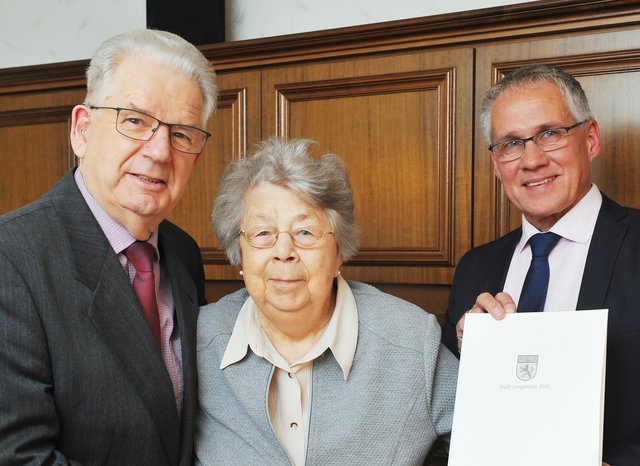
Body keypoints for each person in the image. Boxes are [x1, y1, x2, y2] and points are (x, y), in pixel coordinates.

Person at [0, 29, 217, 464]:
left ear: (196, 156)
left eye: (181, 133)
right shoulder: (13, 256)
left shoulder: (183, 254)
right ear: (82, 130)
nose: (158, 151)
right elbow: (18, 457)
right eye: (135, 120)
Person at [194, 138, 458, 465]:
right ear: (241, 257)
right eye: (263, 233)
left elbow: (497, 438)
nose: (283, 251)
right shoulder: (199, 342)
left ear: (338, 254)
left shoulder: (411, 340)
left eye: (305, 232)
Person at [441, 64, 640, 465]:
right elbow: (447, 416)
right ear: (497, 164)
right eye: (510, 144)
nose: (531, 160)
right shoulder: (475, 268)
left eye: (550, 134)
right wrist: (472, 351)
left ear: (591, 138)